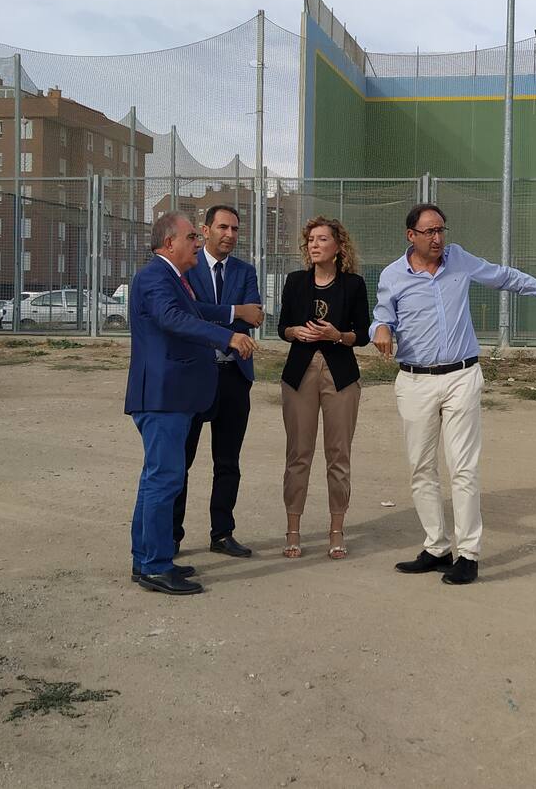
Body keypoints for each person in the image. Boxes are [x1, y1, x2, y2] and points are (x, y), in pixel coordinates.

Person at [371, 204, 536, 585]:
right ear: (411, 236)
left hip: (461, 375)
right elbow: (382, 314)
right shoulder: (393, 275)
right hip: (415, 380)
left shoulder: (459, 260)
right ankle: (436, 547)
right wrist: (380, 329)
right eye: (429, 232)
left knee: (463, 467)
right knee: (421, 468)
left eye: (441, 230)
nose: (437, 238)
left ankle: (469, 554)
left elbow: (502, 276)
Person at [124, 212, 258, 596]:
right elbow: (172, 318)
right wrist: (227, 337)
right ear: (169, 243)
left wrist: (234, 315)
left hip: (173, 395)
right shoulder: (155, 276)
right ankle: (155, 566)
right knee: (163, 479)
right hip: (163, 396)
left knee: (157, 478)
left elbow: (196, 312)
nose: (198, 242)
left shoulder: (173, 278)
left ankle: (147, 558)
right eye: (191, 237)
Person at [277, 216, 371, 560]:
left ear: (338, 246)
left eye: (322, 239)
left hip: (340, 375)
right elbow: (282, 326)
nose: (314, 245)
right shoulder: (295, 281)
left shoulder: (354, 285)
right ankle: (293, 530)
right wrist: (295, 332)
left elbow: (363, 334)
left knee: (338, 456)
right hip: (300, 374)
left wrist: (338, 335)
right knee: (298, 455)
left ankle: (336, 530)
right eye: (311, 240)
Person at [175, 204, 264, 559]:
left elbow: (253, 316)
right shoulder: (188, 268)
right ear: (205, 230)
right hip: (195, 378)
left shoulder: (245, 271)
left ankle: (222, 533)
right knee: (181, 462)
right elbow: (188, 315)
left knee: (228, 462)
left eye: (235, 229)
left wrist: (220, 318)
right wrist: (233, 313)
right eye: (223, 227)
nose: (229, 235)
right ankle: (171, 535)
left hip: (234, 377)